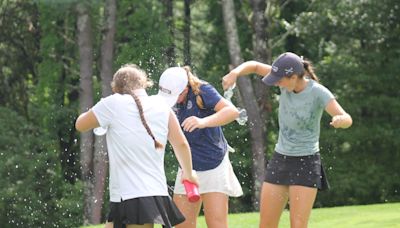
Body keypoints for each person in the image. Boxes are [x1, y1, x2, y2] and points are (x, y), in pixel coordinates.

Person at [222, 52, 353, 228]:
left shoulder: (318, 92)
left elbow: (346, 117)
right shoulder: (284, 83)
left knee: (297, 224)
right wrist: (235, 73)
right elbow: (253, 66)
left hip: (306, 161)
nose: (276, 83)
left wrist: (340, 120)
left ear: (293, 77)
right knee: (266, 224)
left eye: (279, 79)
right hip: (280, 159)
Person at [75, 64, 198, 228]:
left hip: (131, 195)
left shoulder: (112, 103)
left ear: (116, 88)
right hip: (151, 192)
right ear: (145, 83)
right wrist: (188, 174)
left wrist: (101, 109)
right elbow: (181, 144)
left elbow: (80, 124)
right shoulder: (162, 106)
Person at [157, 66, 243, 228]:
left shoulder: (203, 90)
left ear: (185, 88)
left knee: (216, 224)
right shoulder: (166, 98)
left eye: (177, 96)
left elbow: (231, 112)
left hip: (214, 162)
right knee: (181, 224)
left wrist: (203, 122)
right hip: (187, 167)